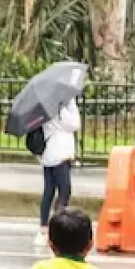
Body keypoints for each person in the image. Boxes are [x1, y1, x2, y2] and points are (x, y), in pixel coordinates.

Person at [36, 98, 80, 246]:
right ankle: (59, 226)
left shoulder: (43, 106)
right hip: (60, 154)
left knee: (49, 190)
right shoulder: (60, 107)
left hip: (49, 153)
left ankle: (43, 227)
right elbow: (75, 124)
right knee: (64, 190)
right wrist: (72, 105)